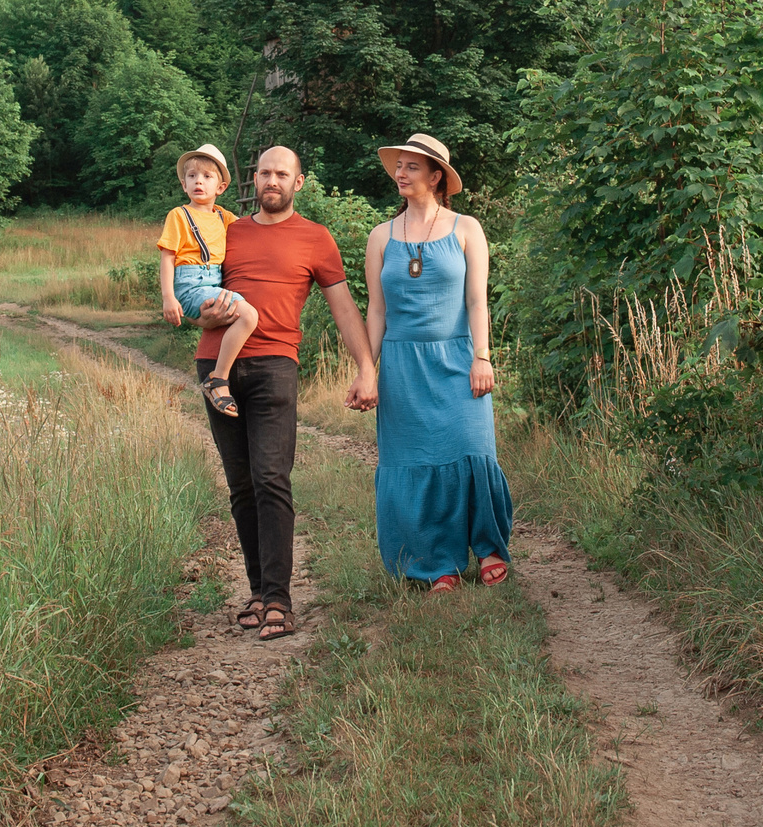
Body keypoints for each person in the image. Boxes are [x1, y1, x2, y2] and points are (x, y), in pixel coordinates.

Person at [192, 145, 376, 641]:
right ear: (254, 179)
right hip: (216, 365)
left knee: (271, 477)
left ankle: (279, 598)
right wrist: (200, 313)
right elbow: (195, 287)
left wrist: (365, 367)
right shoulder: (226, 231)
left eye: (282, 174)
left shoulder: (316, 238)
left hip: (276, 365)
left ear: (299, 184)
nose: (271, 180)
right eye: (265, 172)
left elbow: (342, 308)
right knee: (241, 486)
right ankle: (257, 590)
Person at [364, 132, 512, 591]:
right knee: (413, 459)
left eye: (411, 166)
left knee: (473, 447)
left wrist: (482, 357)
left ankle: (488, 547)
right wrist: (367, 370)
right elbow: (376, 310)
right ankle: (435, 562)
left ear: (436, 176)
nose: (401, 173)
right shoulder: (380, 236)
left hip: (458, 356)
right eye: (399, 165)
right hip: (403, 366)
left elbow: (476, 301)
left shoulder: (466, 228)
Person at [155, 143, 259, 418]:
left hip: (214, 283)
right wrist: (168, 297)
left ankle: (232, 372)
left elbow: (251, 230)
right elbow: (167, 257)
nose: (198, 181)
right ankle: (218, 379)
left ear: (221, 188)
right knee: (248, 315)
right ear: (184, 185)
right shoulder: (179, 215)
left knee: (244, 315)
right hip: (190, 285)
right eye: (192, 177)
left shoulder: (225, 217)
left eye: (206, 177)